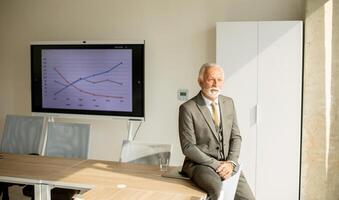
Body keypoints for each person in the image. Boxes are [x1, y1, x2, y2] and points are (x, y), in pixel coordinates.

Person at [179, 63, 255, 200]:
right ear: (200, 81)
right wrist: (216, 164)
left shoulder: (229, 103)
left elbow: (236, 137)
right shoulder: (188, 108)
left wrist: (231, 163)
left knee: (249, 198)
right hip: (200, 164)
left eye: (219, 80)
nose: (216, 84)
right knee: (219, 192)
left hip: (228, 164)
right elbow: (188, 147)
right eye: (211, 79)